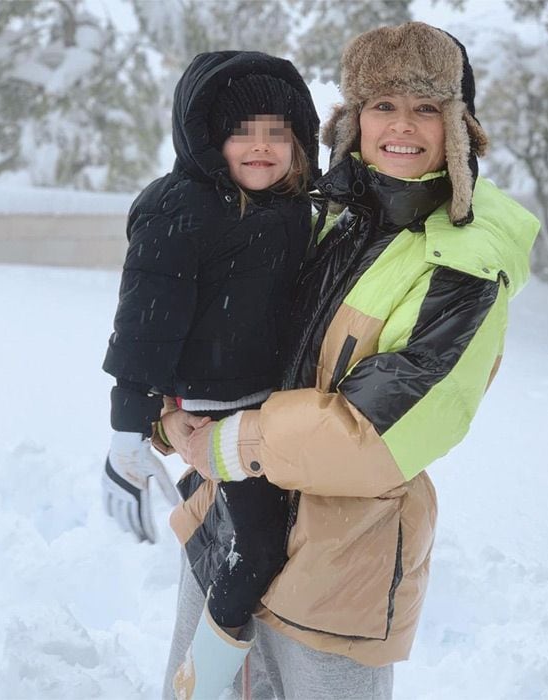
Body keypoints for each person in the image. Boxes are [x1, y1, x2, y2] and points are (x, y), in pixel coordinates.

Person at [171, 21, 541, 700]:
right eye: (383, 105)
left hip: (340, 567)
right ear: (354, 119)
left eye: (426, 107)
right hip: (231, 526)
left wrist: (228, 440)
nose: (404, 126)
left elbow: (375, 434)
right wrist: (177, 407)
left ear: (458, 125)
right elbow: (223, 320)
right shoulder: (323, 212)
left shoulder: (466, 266)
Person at [99, 50, 320, 699]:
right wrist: (128, 425)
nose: (260, 147)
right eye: (240, 131)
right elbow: (145, 322)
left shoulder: (291, 206)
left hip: (270, 411)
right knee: (256, 548)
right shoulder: (181, 208)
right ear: (205, 137)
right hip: (213, 411)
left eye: (277, 132)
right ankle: (204, 678)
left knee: (247, 536)